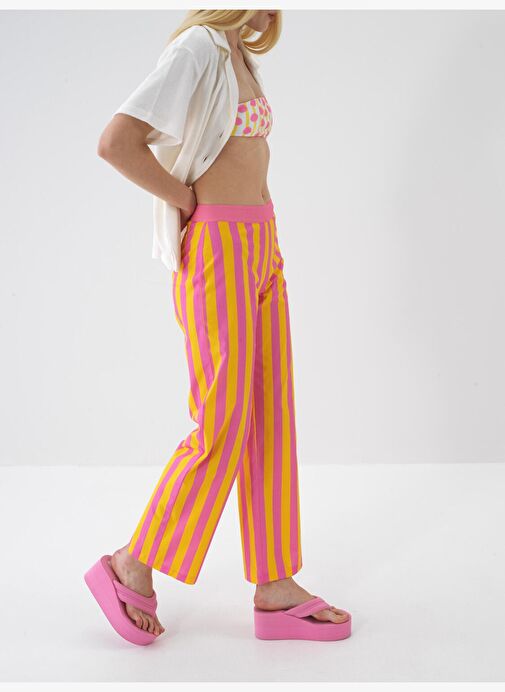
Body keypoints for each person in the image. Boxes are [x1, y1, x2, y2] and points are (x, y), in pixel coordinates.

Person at [85, 9, 351, 644]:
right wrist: (186, 200)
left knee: (269, 412)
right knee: (223, 420)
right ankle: (131, 562)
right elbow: (116, 141)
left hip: (262, 241)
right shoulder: (198, 49)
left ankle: (275, 584)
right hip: (219, 247)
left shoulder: (240, 52)